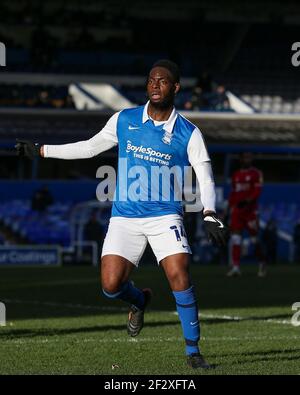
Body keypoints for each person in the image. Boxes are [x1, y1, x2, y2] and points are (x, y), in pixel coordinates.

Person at [16, 59, 228, 369]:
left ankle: (193, 352)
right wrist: (42, 150)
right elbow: (89, 148)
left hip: (165, 216)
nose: (155, 85)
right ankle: (139, 301)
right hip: (125, 217)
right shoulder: (124, 119)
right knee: (110, 286)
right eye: (151, 80)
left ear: (176, 88)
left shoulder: (189, 133)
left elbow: (205, 176)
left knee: (179, 273)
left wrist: (209, 213)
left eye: (163, 81)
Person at [226, 152, 266, 277]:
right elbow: (233, 193)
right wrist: (228, 208)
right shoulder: (236, 175)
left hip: (250, 212)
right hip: (237, 211)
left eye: (250, 157)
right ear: (241, 159)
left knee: (254, 240)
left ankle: (262, 262)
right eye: (246, 157)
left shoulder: (256, 173)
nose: (248, 159)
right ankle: (236, 267)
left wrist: (247, 201)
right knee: (236, 238)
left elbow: (257, 191)